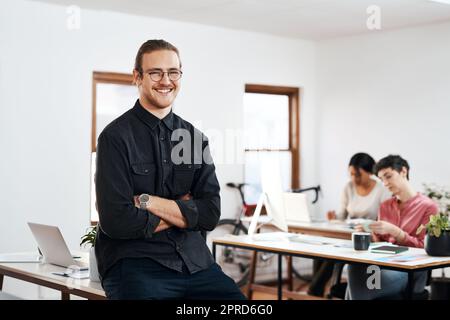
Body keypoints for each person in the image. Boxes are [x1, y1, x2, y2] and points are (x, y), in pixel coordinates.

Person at [95, 39, 246, 300]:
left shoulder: (194, 139)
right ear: (137, 77)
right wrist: (183, 210)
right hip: (135, 265)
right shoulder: (115, 138)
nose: (166, 80)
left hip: (195, 263)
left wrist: (148, 201)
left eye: (173, 72)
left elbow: (210, 213)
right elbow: (116, 221)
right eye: (155, 72)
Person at [346, 155, 439, 300]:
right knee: (354, 266)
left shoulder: (428, 207)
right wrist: (370, 234)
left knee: (360, 287)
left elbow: (425, 248)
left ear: (403, 171)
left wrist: (395, 232)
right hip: (381, 264)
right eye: (382, 179)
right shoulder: (385, 206)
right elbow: (379, 243)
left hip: (407, 269)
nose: (385, 183)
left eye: (388, 176)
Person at [308, 152, 390, 297]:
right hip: (347, 232)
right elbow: (342, 214)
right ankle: (316, 289)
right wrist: (334, 217)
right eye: (351, 174)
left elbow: (383, 221)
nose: (354, 178)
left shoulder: (381, 190)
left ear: (370, 172)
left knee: (333, 251)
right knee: (321, 247)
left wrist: (367, 226)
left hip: (367, 236)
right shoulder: (348, 187)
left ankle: (314, 289)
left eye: (358, 174)